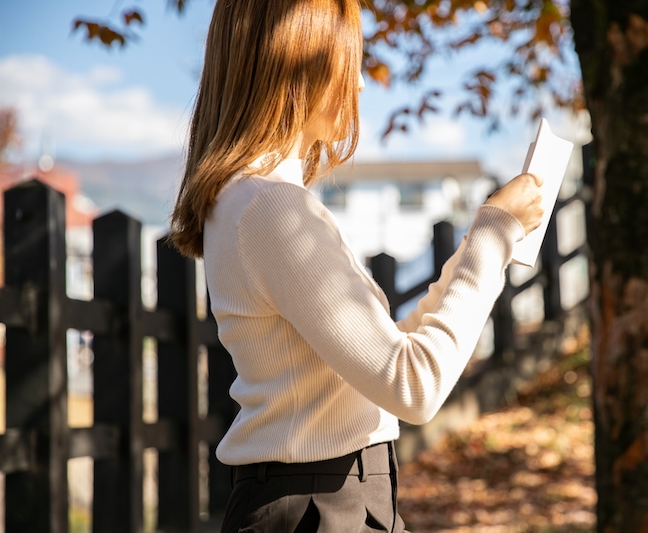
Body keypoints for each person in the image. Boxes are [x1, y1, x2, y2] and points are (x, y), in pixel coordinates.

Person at [169, 0, 544, 531]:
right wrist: (494, 233)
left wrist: (481, 242)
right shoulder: (271, 206)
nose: (361, 86)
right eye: (352, 60)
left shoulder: (252, 202)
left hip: (321, 500)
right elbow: (412, 385)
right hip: (319, 506)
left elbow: (391, 358)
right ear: (298, 59)